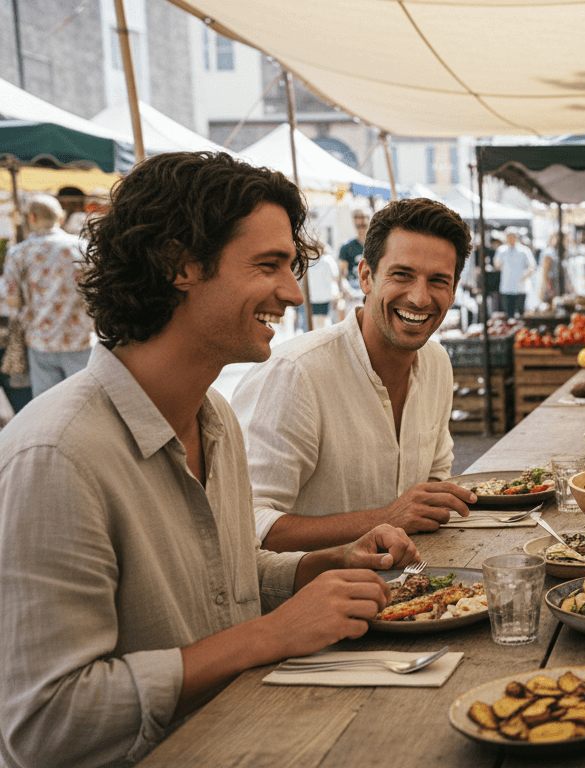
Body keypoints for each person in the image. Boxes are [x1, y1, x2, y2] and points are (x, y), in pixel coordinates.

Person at [0, 151, 418, 768]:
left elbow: (214, 582)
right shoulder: (57, 455)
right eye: (269, 265)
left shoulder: (214, 416)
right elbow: (46, 723)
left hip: (246, 735)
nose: (294, 292)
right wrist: (270, 635)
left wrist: (313, 568)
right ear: (179, 265)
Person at [232, 197, 477, 553]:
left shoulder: (436, 361)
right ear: (365, 276)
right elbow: (247, 524)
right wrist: (386, 518)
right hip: (311, 603)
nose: (420, 298)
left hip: (414, 591)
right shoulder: (295, 373)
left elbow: (435, 477)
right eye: (402, 275)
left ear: (453, 291)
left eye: (438, 281)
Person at [3, 193, 95, 397]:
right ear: (60, 219)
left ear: (32, 218)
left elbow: (12, 300)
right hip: (80, 340)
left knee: (46, 406)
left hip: (40, 342)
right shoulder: (83, 247)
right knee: (85, 401)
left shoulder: (18, 253)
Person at [494, 227, 535, 317]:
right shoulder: (502, 250)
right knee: (509, 314)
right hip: (507, 286)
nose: (510, 239)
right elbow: (497, 264)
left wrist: (524, 277)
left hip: (520, 287)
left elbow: (532, 266)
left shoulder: (524, 250)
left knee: (521, 313)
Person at [339, 208, 369, 286]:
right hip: (354, 290)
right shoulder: (346, 247)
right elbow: (342, 276)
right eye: (356, 217)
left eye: (362, 217)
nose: (360, 221)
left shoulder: (378, 245)